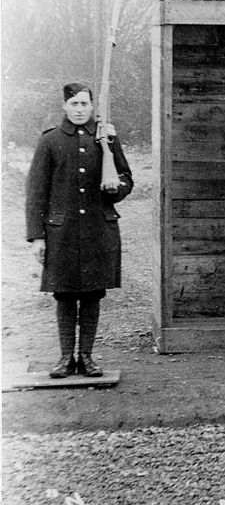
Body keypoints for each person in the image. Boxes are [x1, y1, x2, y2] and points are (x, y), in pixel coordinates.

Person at [26, 83, 134, 378]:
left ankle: (86, 357)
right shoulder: (50, 141)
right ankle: (64, 358)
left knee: (91, 295)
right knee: (63, 295)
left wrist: (117, 187)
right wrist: (37, 236)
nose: (79, 109)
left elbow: (126, 178)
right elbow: (36, 192)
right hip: (61, 233)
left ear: (92, 107)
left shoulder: (106, 139)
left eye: (84, 104)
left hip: (98, 229)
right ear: (64, 106)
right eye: (73, 104)